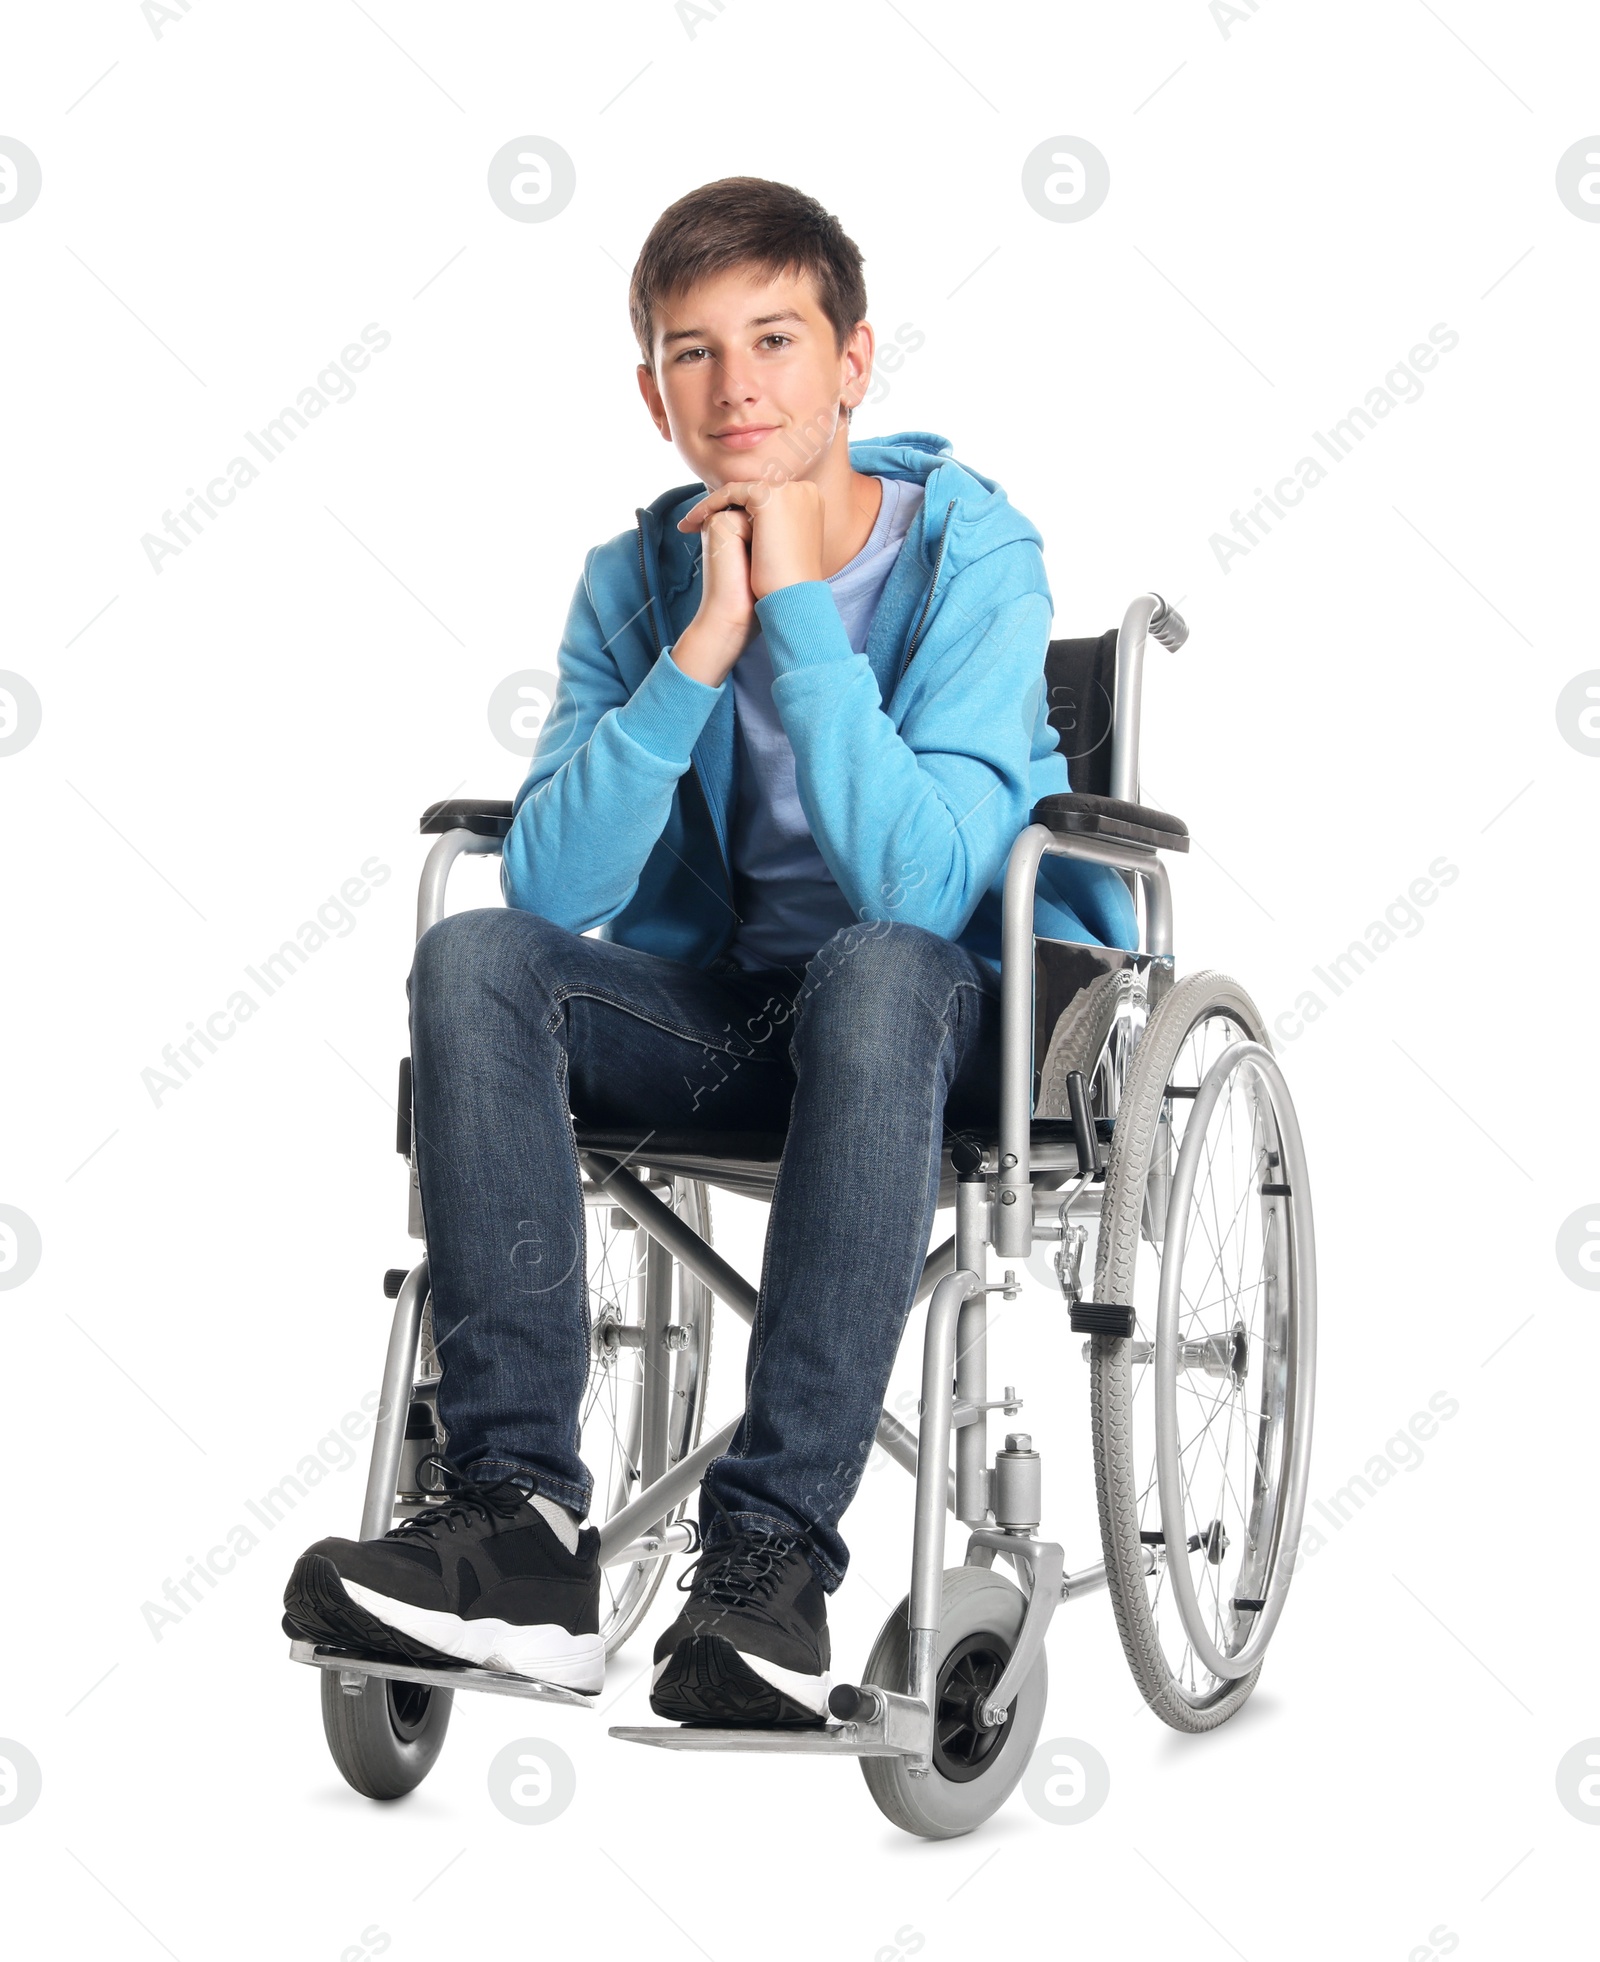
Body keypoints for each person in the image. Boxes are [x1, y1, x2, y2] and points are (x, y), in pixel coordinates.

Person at [282, 175, 1137, 1727]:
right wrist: (698, 650)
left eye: (776, 340)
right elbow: (554, 878)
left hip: (949, 1010)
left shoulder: (975, 555)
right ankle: (523, 1530)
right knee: (478, 952)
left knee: (876, 964)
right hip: (739, 1021)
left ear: (855, 362)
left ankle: (767, 1560)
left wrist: (800, 608)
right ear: (649, 388)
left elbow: (928, 883)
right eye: (692, 353)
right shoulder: (636, 577)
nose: (736, 388)